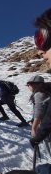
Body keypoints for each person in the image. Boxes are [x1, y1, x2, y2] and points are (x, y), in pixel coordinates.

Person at [30, 8, 51, 147]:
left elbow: (44, 114)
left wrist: (36, 134)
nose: (40, 52)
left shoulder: (39, 94)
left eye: (42, 40)